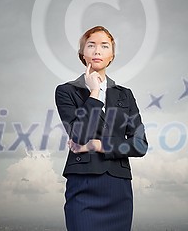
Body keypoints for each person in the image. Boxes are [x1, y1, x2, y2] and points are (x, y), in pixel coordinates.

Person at [55, 25, 148, 231]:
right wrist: (94, 92)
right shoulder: (66, 91)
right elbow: (79, 135)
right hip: (83, 184)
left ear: (111, 55)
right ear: (82, 53)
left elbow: (140, 145)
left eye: (104, 46)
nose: (97, 51)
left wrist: (99, 145)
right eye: (91, 45)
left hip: (118, 187)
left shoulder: (125, 95)